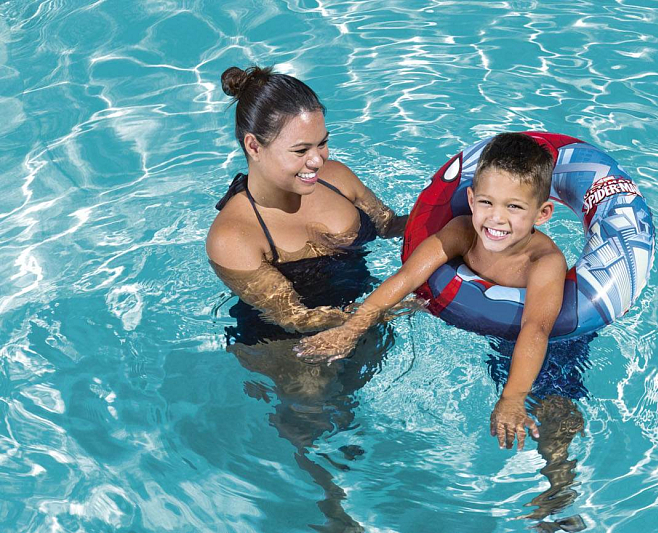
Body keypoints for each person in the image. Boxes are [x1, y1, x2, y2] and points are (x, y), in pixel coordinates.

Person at [206, 65, 407, 532]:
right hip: (286, 345)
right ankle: (334, 512)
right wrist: (384, 308)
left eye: (323, 143)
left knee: (349, 409)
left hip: (361, 314)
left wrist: (454, 217)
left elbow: (391, 225)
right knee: (314, 408)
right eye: (300, 150)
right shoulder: (234, 235)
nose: (317, 160)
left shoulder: (337, 178)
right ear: (253, 146)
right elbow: (294, 318)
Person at [296, 132, 568, 452]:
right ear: (471, 199)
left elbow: (536, 329)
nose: (496, 218)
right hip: (472, 316)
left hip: (544, 338)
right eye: (486, 202)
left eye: (514, 207)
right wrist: (353, 327)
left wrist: (513, 398)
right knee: (373, 315)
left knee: (555, 409)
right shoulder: (462, 232)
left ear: (542, 214)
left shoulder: (544, 262)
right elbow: (407, 277)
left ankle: (559, 468)